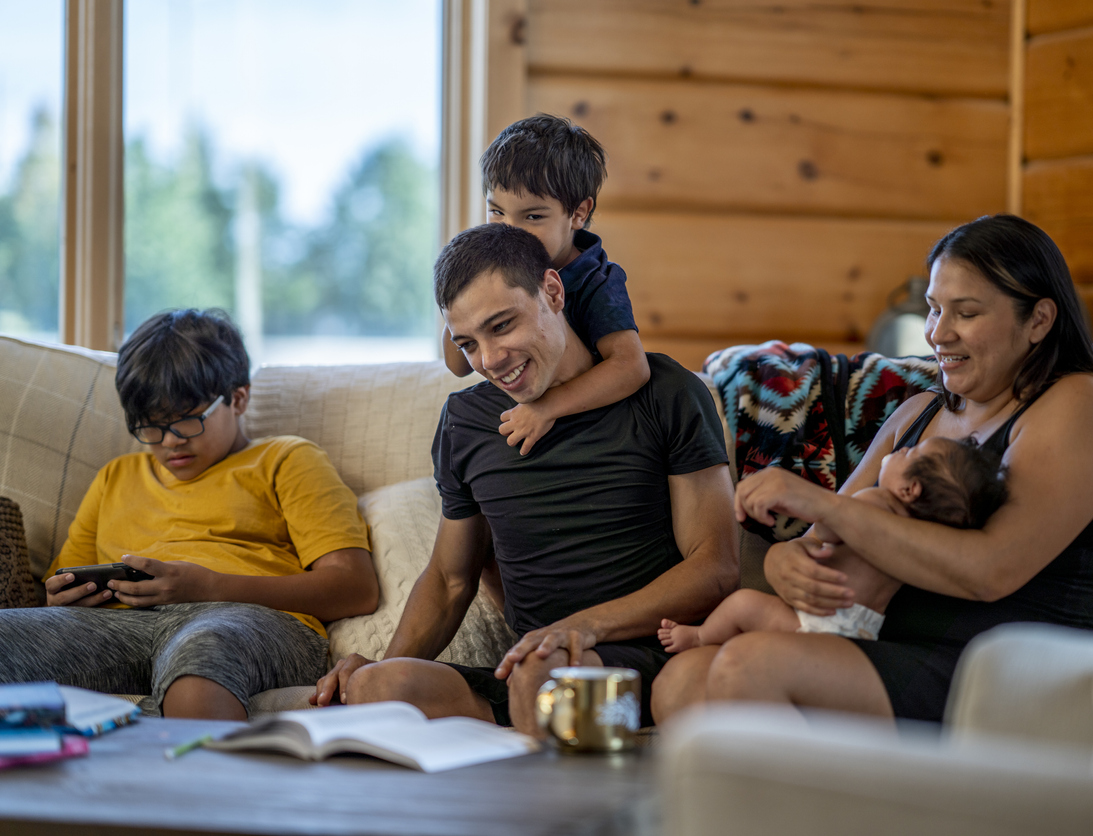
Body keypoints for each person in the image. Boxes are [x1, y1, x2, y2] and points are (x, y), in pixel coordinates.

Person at [651, 214, 1093, 724]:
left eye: (965, 313)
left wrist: (819, 502)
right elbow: (814, 540)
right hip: (879, 642)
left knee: (749, 666)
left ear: (1038, 319)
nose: (937, 334)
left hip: (1000, 669)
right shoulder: (916, 414)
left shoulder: (1080, 404)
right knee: (682, 682)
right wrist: (784, 565)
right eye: (933, 308)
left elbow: (991, 571)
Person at [313, 223, 738, 734]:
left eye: (503, 325)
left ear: (553, 292)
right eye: (469, 343)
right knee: (378, 690)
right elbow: (450, 580)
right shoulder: (466, 422)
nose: (490, 361)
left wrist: (579, 628)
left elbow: (715, 566)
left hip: (649, 657)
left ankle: (531, 766)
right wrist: (381, 666)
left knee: (545, 679)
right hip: (529, 667)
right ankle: (526, 738)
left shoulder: (666, 392)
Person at [0, 309, 378, 720]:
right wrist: (60, 597)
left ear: (238, 398)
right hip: (115, 628)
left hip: (243, 621)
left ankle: (197, 779)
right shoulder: (116, 476)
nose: (169, 443)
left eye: (186, 422)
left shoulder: (286, 459)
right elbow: (62, 587)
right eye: (151, 428)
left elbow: (354, 586)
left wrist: (209, 586)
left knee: (205, 652)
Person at [659, 436, 1007, 649]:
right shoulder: (917, 539)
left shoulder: (875, 503)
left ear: (909, 489)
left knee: (743, 604)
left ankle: (700, 637)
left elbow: (825, 533)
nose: (903, 448)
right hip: (861, 634)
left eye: (912, 452)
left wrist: (808, 508)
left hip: (818, 624)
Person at [441, 113, 650, 456]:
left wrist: (546, 407)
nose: (509, 230)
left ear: (578, 214)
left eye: (533, 216)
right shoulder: (489, 275)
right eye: (496, 213)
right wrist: (461, 283)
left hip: (590, 428)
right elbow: (459, 366)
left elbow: (631, 366)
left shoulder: (597, 279)